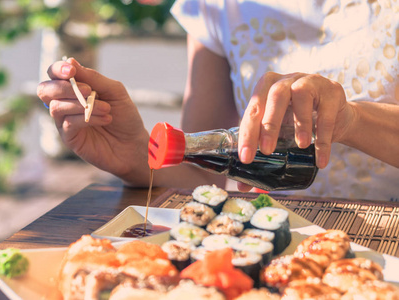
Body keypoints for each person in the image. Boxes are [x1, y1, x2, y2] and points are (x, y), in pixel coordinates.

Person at [37, 0, 399, 201]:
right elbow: (201, 175)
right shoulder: (218, 5)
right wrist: (133, 152)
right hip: (284, 251)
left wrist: (351, 121)